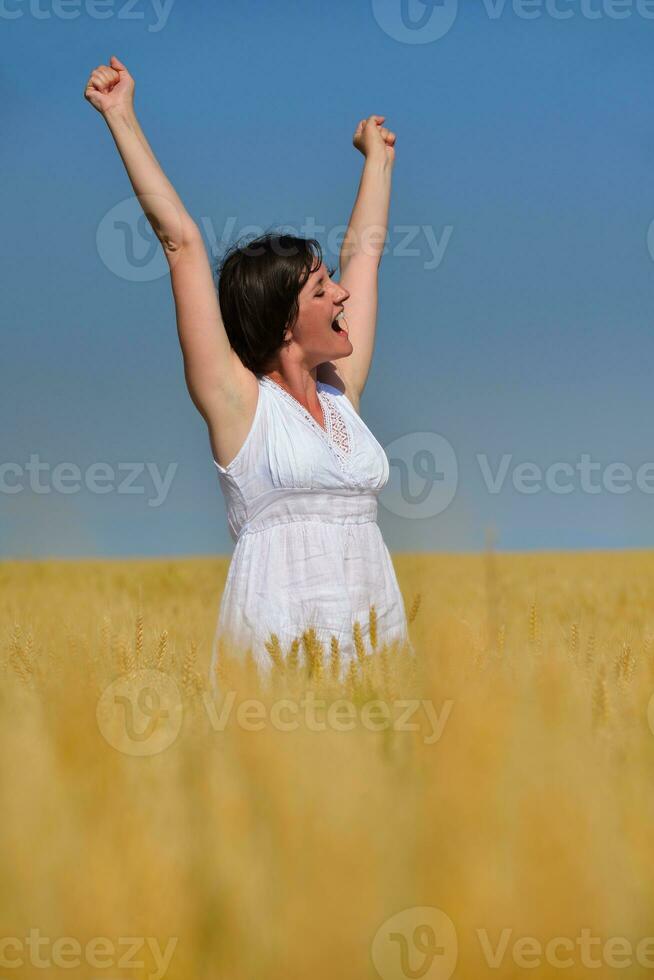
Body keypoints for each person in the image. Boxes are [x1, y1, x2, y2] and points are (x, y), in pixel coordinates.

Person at [84, 55, 413, 683]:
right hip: (276, 660)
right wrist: (120, 114)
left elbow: (364, 254)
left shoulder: (343, 391)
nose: (342, 295)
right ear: (285, 321)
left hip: (377, 649)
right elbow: (180, 242)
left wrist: (378, 160)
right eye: (322, 290)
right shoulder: (239, 406)